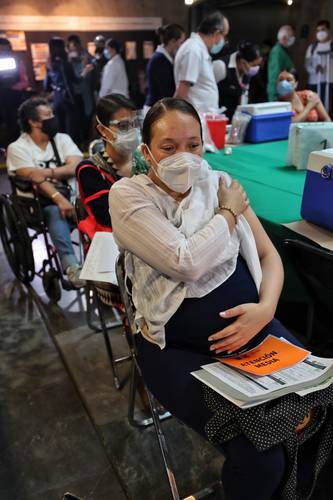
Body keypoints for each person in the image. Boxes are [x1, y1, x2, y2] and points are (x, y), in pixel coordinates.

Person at [109, 97, 331, 498]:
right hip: (179, 349)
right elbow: (186, 262)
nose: (185, 156)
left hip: (257, 336)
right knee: (262, 455)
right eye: (169, 147)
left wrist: (265, 310)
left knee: (325, 410)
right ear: (147, 152)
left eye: (193, 145)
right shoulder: (130, 197)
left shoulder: (218, 184)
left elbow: (268, 256)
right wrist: (228, 214)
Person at [6, 97, 85, 288]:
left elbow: (76, 166)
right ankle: (71, 267)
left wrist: (47, 173)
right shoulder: (17, 148)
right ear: (33, 122)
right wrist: (59, 199)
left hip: (70, 195)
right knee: (55, 212)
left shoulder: (62, 139)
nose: (53, 118)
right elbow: (33, 178)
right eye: (47, 115)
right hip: (36, 204)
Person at [76, 93, 146, 239]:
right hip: (115, 244)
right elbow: (109, 217)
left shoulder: (145, 158)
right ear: (102, 130)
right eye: (123, 126)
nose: (132, 131)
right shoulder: (90, 170)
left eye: (135, 124)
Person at [174, 11, 230, 113]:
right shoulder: (193, 50)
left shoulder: (199, 50)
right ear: (216, 33)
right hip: (195, 121)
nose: (224, 41)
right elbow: (182, 92)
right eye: (224, 35)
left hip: (203, 121)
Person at [44, 37, 93, 143]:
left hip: (57, 99)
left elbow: (46, 86)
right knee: (71, 131)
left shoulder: (49, 64)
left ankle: (61, 155)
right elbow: (77, 80)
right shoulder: (66, 64)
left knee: (60, 129)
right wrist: (85, 71)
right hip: (68, 99)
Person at [144, 24, 185, 114]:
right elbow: (165, 91)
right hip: (156, 110)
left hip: (159, 108)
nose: (182, 47)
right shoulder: (159, 59)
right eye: (181, 42)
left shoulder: (165, 58)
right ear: (172, 41)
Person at [218, 41, 262, 121]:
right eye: (254, 65)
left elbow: (244, 93)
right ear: (242, 62)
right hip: (219, 116)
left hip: (235, 118)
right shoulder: (221, 66)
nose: (256, 68)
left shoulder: (247, 72)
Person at [67, 34, 95, 148]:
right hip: (75, 96)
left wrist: (87, 65)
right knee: (76, 122)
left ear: (78, 45)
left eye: (74, 46)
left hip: (86, 94)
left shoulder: (87, 56)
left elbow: (93, 70)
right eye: (70, 47)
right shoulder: (68, 59)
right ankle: (79, 143)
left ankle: (86, 143)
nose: (73, 49)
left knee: (87, 120)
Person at [0, 38, 30, 146]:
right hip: (2, 100)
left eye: (5, 50)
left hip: (14, 100)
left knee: (14, 126)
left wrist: (12, 86)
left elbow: (25, 82)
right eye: (1, 50)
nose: (3, 52)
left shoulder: (17, 61)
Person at [305, 20, 333, 112]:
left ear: (328, 30)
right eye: (318, 30)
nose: (320, 32)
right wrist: (314, 69)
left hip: (330, 81)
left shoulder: (331, 45)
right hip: (315, 82)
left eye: (323, 29)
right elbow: (307, 64)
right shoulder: (312, 48)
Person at [267, 25, 295, 101]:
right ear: (284, 37)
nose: (293, 38)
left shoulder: (284, 50)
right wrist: (276, 93)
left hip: (285, 90)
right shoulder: (277, 51)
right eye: (291, 36)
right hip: (278, 92)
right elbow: (274, 74)